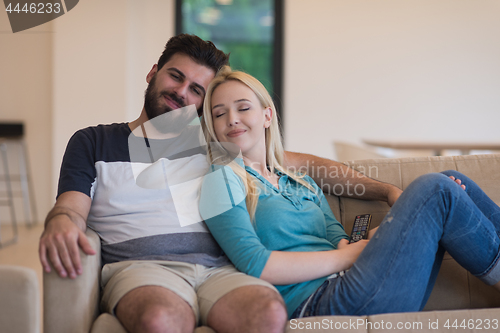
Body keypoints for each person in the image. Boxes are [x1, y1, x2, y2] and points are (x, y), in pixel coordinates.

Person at [38, 34, 401, 332]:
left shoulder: (219, 146)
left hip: (220, 269)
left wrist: (386, 191)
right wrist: (60, 222)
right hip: (141, 267)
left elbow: (303, 165)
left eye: (197, 90)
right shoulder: (93, 141)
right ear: (153, 72)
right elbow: (71, 207)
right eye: (175, 77)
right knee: (162, 319)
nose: (182, 93)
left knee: (267, 314)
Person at [199, 67, 500, 320]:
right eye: (219, 113)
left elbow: (339, 241)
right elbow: (256, 264)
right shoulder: (220, 179)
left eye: (243, 107)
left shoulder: (300, 181)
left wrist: (388, 233)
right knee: (434, 187)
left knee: (450, 180)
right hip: (319, 302)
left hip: (356, 283)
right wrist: (345, 257)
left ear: (267, 115)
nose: (232, 119)